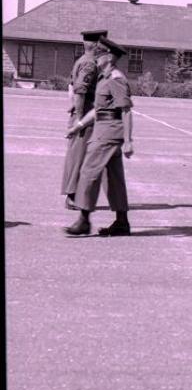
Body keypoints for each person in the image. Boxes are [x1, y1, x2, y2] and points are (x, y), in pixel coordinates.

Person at [64, 37, 134, 237]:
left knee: (88, 172)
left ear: (110, 57)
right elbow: (97, 109)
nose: (95, 57)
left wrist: (128, 141)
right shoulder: (104, 78)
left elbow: (127, 111)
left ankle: (84, 220)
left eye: (99, 54)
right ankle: (122, 222)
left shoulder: (116, 79)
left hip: (109, 132)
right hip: (103, 129)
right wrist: (78, 126)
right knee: (114, 178)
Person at [61, 29, 108, 209]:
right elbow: (80, 90)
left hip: (82, 112)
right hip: (85, 113)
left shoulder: (81, 60)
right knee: (79, 157)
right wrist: (80, 119)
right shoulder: (90, 64)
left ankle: (75, 195)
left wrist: (72, 106)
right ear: (96, 44)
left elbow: (71, 86)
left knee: (78, 155)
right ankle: (72, 196)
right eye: (103, 43)